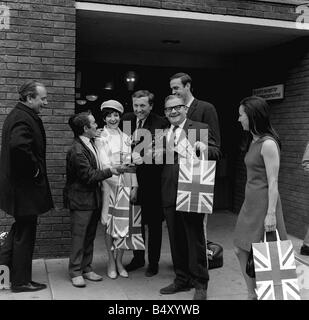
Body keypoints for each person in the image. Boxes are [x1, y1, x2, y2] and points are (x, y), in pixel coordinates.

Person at [159, 95, 216, 300]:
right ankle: (181, 279)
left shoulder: (198, 128)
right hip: (169, 191)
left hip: (192, 189)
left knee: (195, 239)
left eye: (177, 108)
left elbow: (216, 152)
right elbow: (160, 161)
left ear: (185, 109)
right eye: (168, 110)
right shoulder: (163, 132)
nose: (173, 112)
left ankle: (200, 283)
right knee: (176, 239)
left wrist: (205, 149)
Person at [0, 80, 53, 293]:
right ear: (30, 98)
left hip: (19, 190)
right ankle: (21, 282)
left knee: (20, 231)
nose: (46, 103)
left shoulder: (20, 114)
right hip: (24, 190)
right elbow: (18, 147)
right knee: (25, 234)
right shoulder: (23, 117)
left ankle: (7, 272)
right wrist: (35, 171)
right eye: (43, 98)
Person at [233, 95, 288, 300]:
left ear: (253, 116)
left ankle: (270, 294)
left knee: (270, 253)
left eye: (241, 115)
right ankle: (252, 293)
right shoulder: (252, 140)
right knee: (240, 249)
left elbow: (273, 182)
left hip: (265, 204)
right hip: (250, 203)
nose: (239, 120)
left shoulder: (268, 144)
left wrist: (271, 214)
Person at [64, 111, 122, 288]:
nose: (97, 125)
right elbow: (88, 176)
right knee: (79, 237)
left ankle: (86, 268)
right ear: (85, 128)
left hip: (91, 200)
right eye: (94, 123)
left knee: (89, 236)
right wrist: (112, 171)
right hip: (81, 201)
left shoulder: (90, 142)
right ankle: (75, 271)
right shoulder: (77, 150)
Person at [121, 90, 169, 277]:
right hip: (130, 180)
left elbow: (162, 151)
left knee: (154, 225)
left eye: (143, 106)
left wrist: (141, 156)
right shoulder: (126, 120)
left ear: (150, 106)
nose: (138, 110)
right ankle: (138, 258)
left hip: (152, 182)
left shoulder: (161, 123)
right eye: (136, 105)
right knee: (136, 223)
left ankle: (154, 262)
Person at [95, 100, 138, 279]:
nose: (113, 119)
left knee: (124, 224)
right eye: (109, 116)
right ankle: (111, 261)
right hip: (109, 185)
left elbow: (131, 164)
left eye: (116, 115)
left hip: (126, 184)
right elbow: (103, 164)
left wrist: (134, 184)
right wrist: (116, 175)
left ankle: (120, 261)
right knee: (108, 225)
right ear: (104, 118)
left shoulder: (126, 138)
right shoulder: (100, 137)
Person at [169, 72, 221, 160]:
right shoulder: (171, 110)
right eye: (172, 89)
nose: (173, 92)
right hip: (174, 167)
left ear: (187, 86)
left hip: (196, 168)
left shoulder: (206, 108)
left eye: (176, 88)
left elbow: (216, 148)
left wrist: (203, 148)